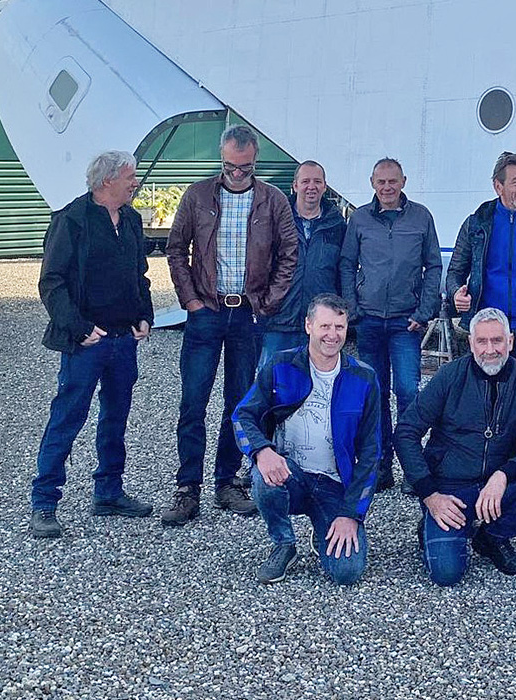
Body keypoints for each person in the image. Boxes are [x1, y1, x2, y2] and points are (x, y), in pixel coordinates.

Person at [163, 124, 298, 525]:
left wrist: (268, 303)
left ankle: (227, 481)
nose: (237, 173)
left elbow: (289, 253)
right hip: (206, 310)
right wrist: (190, 300)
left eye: (245, 167)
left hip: (248, 314)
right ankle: (187, 487)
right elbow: (175, 249)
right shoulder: (197, 195)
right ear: (220, 159)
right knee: (193, 402)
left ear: (256, 161)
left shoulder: (273, 200)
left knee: (238, 403)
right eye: (230, 166)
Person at [394, 307, 516, 587]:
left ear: (510, 341)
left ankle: (492, 536)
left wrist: (504, 474)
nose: (490, 350)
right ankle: (433, 523)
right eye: (482, 341)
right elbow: (406, 431)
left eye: (497, 340)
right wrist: (429, 494)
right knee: (447, 574)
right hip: (450, 489)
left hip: (498, 485)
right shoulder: (449, 376)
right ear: (471, 343)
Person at [29, 150, 155, 538]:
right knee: (67, 418)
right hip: (87, 343)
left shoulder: (131, 219)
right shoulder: (71, 220)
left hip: (123, 341)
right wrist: (79, 328)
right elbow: (52, 282)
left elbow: (140, 274)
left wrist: (144, 315)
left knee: (115, 419)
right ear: (107, 181)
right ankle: (44, 502)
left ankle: (109, 492)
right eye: (130, 177)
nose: (135, 183)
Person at [232, 294, 380, 585]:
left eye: (339, 327)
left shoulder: (364, 378)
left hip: (335, 484)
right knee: (263, 473)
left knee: (347, 573)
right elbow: (242, 416)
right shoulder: (280, 365)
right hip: (290, 475)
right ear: (308, 325)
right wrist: (261, 451)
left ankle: (322, 528)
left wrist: (352, 514)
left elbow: (371, 452)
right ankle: (283, 543)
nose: (332, 335)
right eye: (325, 326)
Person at [339, 157, 442, 490]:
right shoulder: (359, 219)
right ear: (372, 183)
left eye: (393, 181)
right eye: (381, 182)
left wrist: (424, 311)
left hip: (405, 322)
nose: (387, 187)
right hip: (369, 321)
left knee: (408, 392)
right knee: (375, 394)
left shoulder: (421, 217)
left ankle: (413, 468)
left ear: (404, 182)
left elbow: (433, 266)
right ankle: (381, 467)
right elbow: (346, 264)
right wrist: (352, 308)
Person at [446, 152, 516, 371]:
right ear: (498, 186)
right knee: (485, 387)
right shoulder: (476, 224)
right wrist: (456, 294)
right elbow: (455, 272)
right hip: (487, 326)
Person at [258, 160, 345, 368]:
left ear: (325, 186)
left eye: (317, 181)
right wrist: (265, 303)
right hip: (279, 319)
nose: (311, 187)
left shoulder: (338, 225)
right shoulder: (275, 220)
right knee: (274, 380)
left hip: (320, 323)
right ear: (295, 185)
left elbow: (344, 270)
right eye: (305, 181)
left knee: (317, 381)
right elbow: (259, 265)